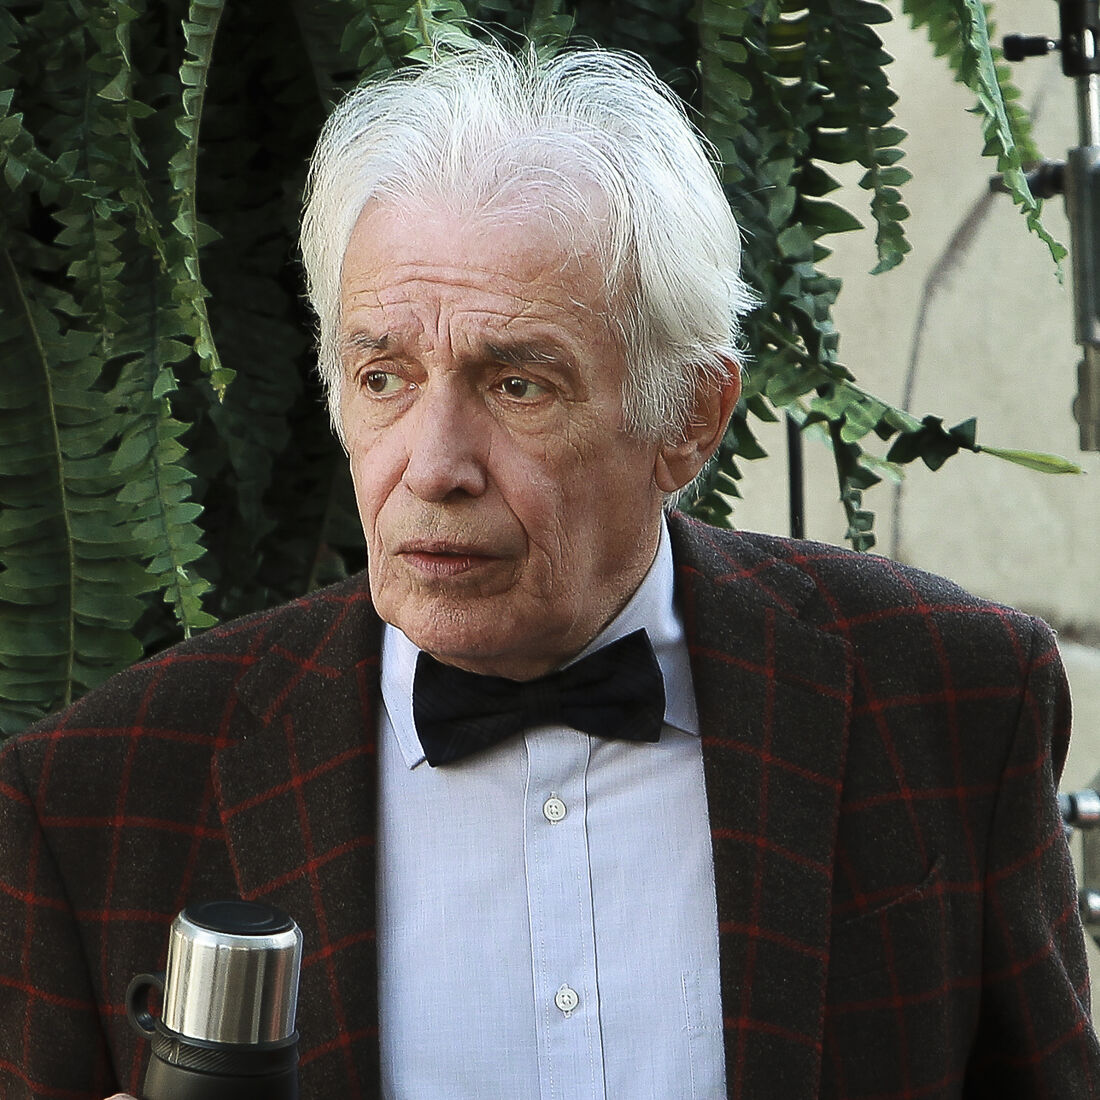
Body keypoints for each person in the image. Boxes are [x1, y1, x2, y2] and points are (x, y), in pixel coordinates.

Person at [0, 42, 1097, 1100]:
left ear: (691, 416)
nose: (433, 465)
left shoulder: (950, 697)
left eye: (516, 384)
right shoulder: (96, 798)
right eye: (384, 377)